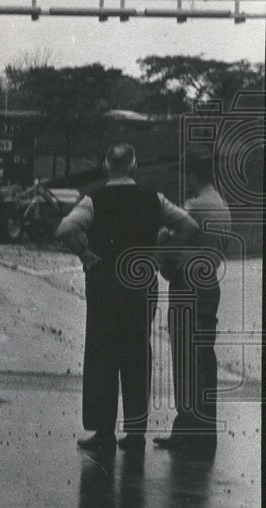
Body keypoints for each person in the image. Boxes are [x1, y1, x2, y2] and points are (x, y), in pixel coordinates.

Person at [56, 143, 197, 452]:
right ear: (134, 167)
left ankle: (104, 431)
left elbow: (64, 228)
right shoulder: (154, 199)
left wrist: (85, 254)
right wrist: (158, 255)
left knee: (102, 354)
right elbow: (189, 225)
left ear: (107, 167)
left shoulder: (94, 199)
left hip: (105, 283)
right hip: (140, 283)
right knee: (137, 354)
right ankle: (135, 434)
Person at [153, 152, 231, 451]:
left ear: (194, 175)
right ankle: (204, 431)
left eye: (186, 176)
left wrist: (161, 248)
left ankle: (186, 430)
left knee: (185, 358)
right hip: (209, 282)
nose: (183, 181)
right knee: (204, 359)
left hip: (187, 285)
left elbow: (167, 237)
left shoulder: (194, 206)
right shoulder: (222, 205)